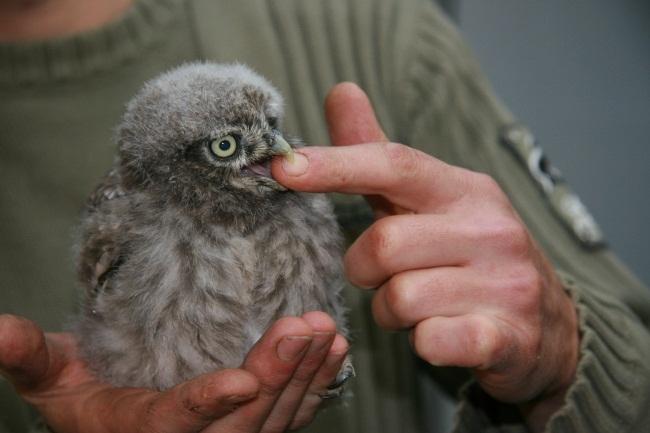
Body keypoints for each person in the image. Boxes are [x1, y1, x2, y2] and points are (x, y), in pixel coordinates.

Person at [1, 0, 649, 432]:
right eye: (228, 147)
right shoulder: (129, 218)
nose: (279, 152)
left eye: (274, 131)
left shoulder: (371, 24)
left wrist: (561, 353)